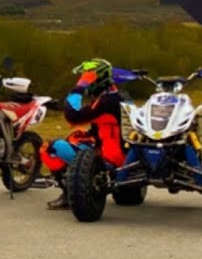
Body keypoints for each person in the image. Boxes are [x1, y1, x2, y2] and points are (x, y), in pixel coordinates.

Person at [41, 58, 139, 210]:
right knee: (76, 136)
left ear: (96, 81)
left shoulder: (105, 102)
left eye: (86, 79)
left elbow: (73, 115)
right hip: (126, 154)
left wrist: (79, 88)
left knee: (49, 148)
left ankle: (69, 192)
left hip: (109, 160)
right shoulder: (121, 96)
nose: (84, 82)